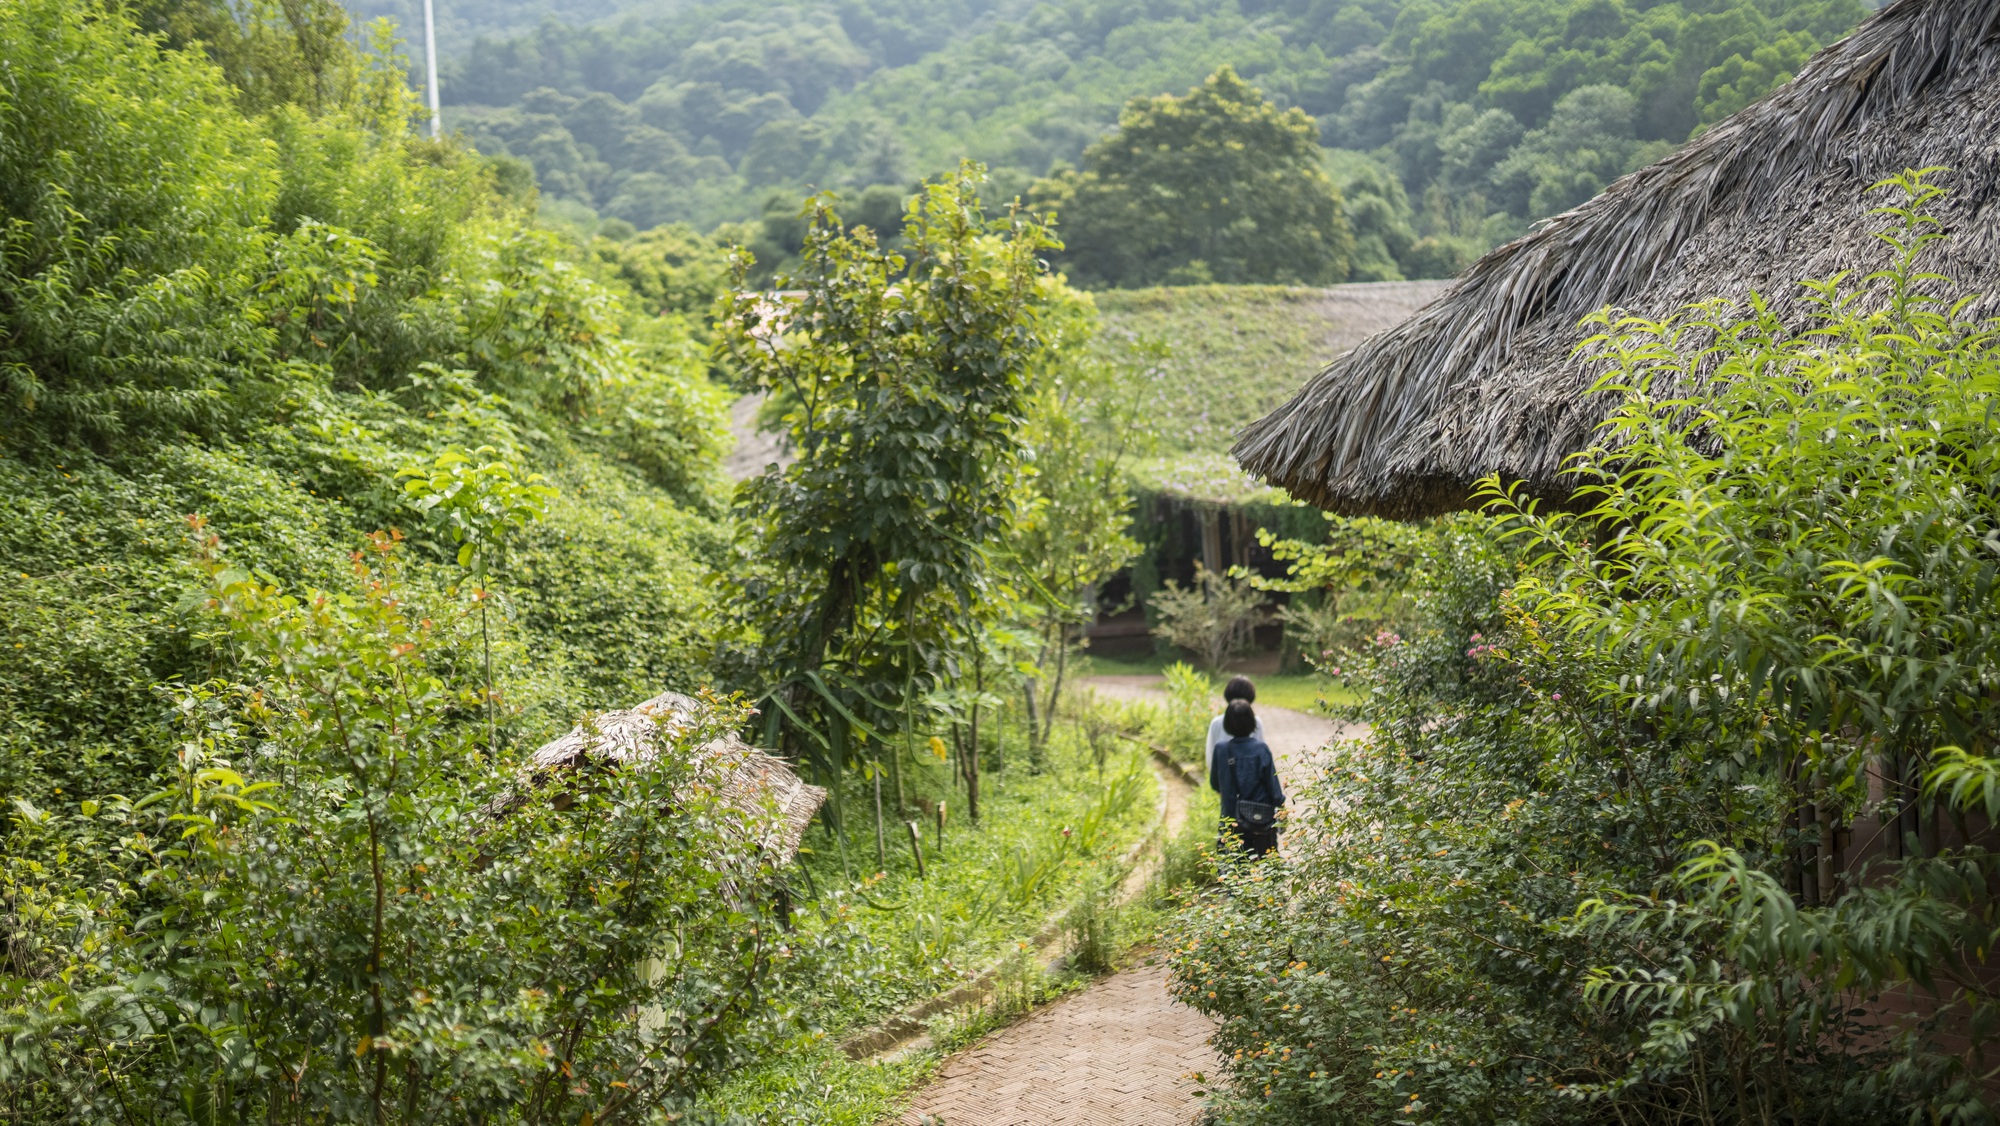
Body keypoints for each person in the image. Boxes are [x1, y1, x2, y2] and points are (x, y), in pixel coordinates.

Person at [1211, 699, 1284, 857]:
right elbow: (1275, 793)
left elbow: (1215, 784)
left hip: (1231, 820)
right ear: (1252, 722)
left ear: (1227, 723)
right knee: (1268, 867)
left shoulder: (1221, 750)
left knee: (1235, 871)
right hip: (1261, 821)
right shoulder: (1261, 749)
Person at [1204, 675, 1266, 778]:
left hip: (1225, 781)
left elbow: (1210, 755)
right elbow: (1262, 756)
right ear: (1250, 698)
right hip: (1252, 782)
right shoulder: (1256, 722)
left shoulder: (1216, 723)